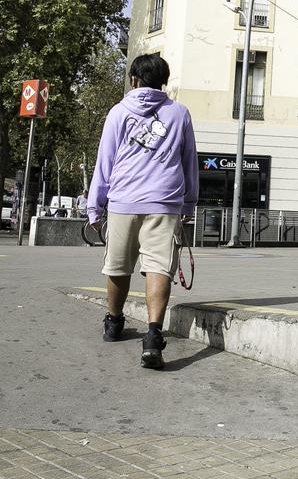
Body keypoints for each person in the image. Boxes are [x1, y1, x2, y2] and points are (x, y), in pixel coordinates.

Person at [87, 54, 200, 369]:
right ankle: (152, 336)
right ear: (164, 83)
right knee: (159, 269)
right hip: (165, 203)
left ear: (134, 80)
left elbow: (104, 162)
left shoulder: (119, 112)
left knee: (118, 266)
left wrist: (95, 207)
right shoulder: (179, 113)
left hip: (123, 201)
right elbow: (189, 160)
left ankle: (114, 321)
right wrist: (189, 203)